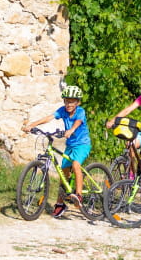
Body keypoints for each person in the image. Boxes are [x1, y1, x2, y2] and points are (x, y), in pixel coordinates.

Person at [21, 81, 91, 218]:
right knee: (63, 173)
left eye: (72, 102)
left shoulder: (80, 112)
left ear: (78, 103)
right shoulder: (62, 110)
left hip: (82, 144)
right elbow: (49, 118)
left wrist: (71, 130)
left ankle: (79, 195)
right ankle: (60, 203)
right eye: (67, 101)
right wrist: (32, 125)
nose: (69, 104)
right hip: (70, 145)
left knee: (76, 165)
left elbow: (78, 122)